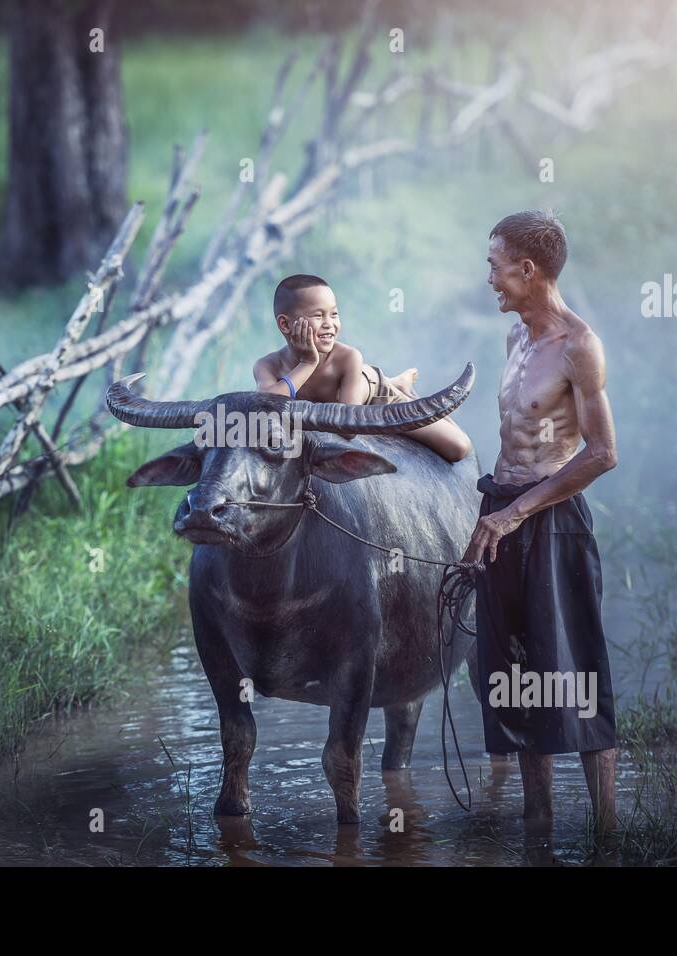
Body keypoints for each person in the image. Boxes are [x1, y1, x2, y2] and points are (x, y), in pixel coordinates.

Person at [462, 211, 619, 843]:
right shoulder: (514, 340)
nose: (489, 278)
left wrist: (518, 511)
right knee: (513, 672)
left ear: (528, 270)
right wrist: (496, 512)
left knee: (574, 667)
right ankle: (537, 830)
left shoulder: (579, 345)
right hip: (501, 515)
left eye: (495, 265)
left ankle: (607, 835)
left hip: (548, 522)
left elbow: (603, 452)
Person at [252, 274, 473, 462]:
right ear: (285, 324)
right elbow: (264, 406)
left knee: (458, 447)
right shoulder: (267, 365)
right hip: (345, 390)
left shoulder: (348, 357)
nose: (330, 323)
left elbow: (349, 428)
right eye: (318, 316)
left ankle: (400, 388)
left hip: (374, 393)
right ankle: (397, 380)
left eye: (334, 314)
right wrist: (307, 364)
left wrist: (309, 362)